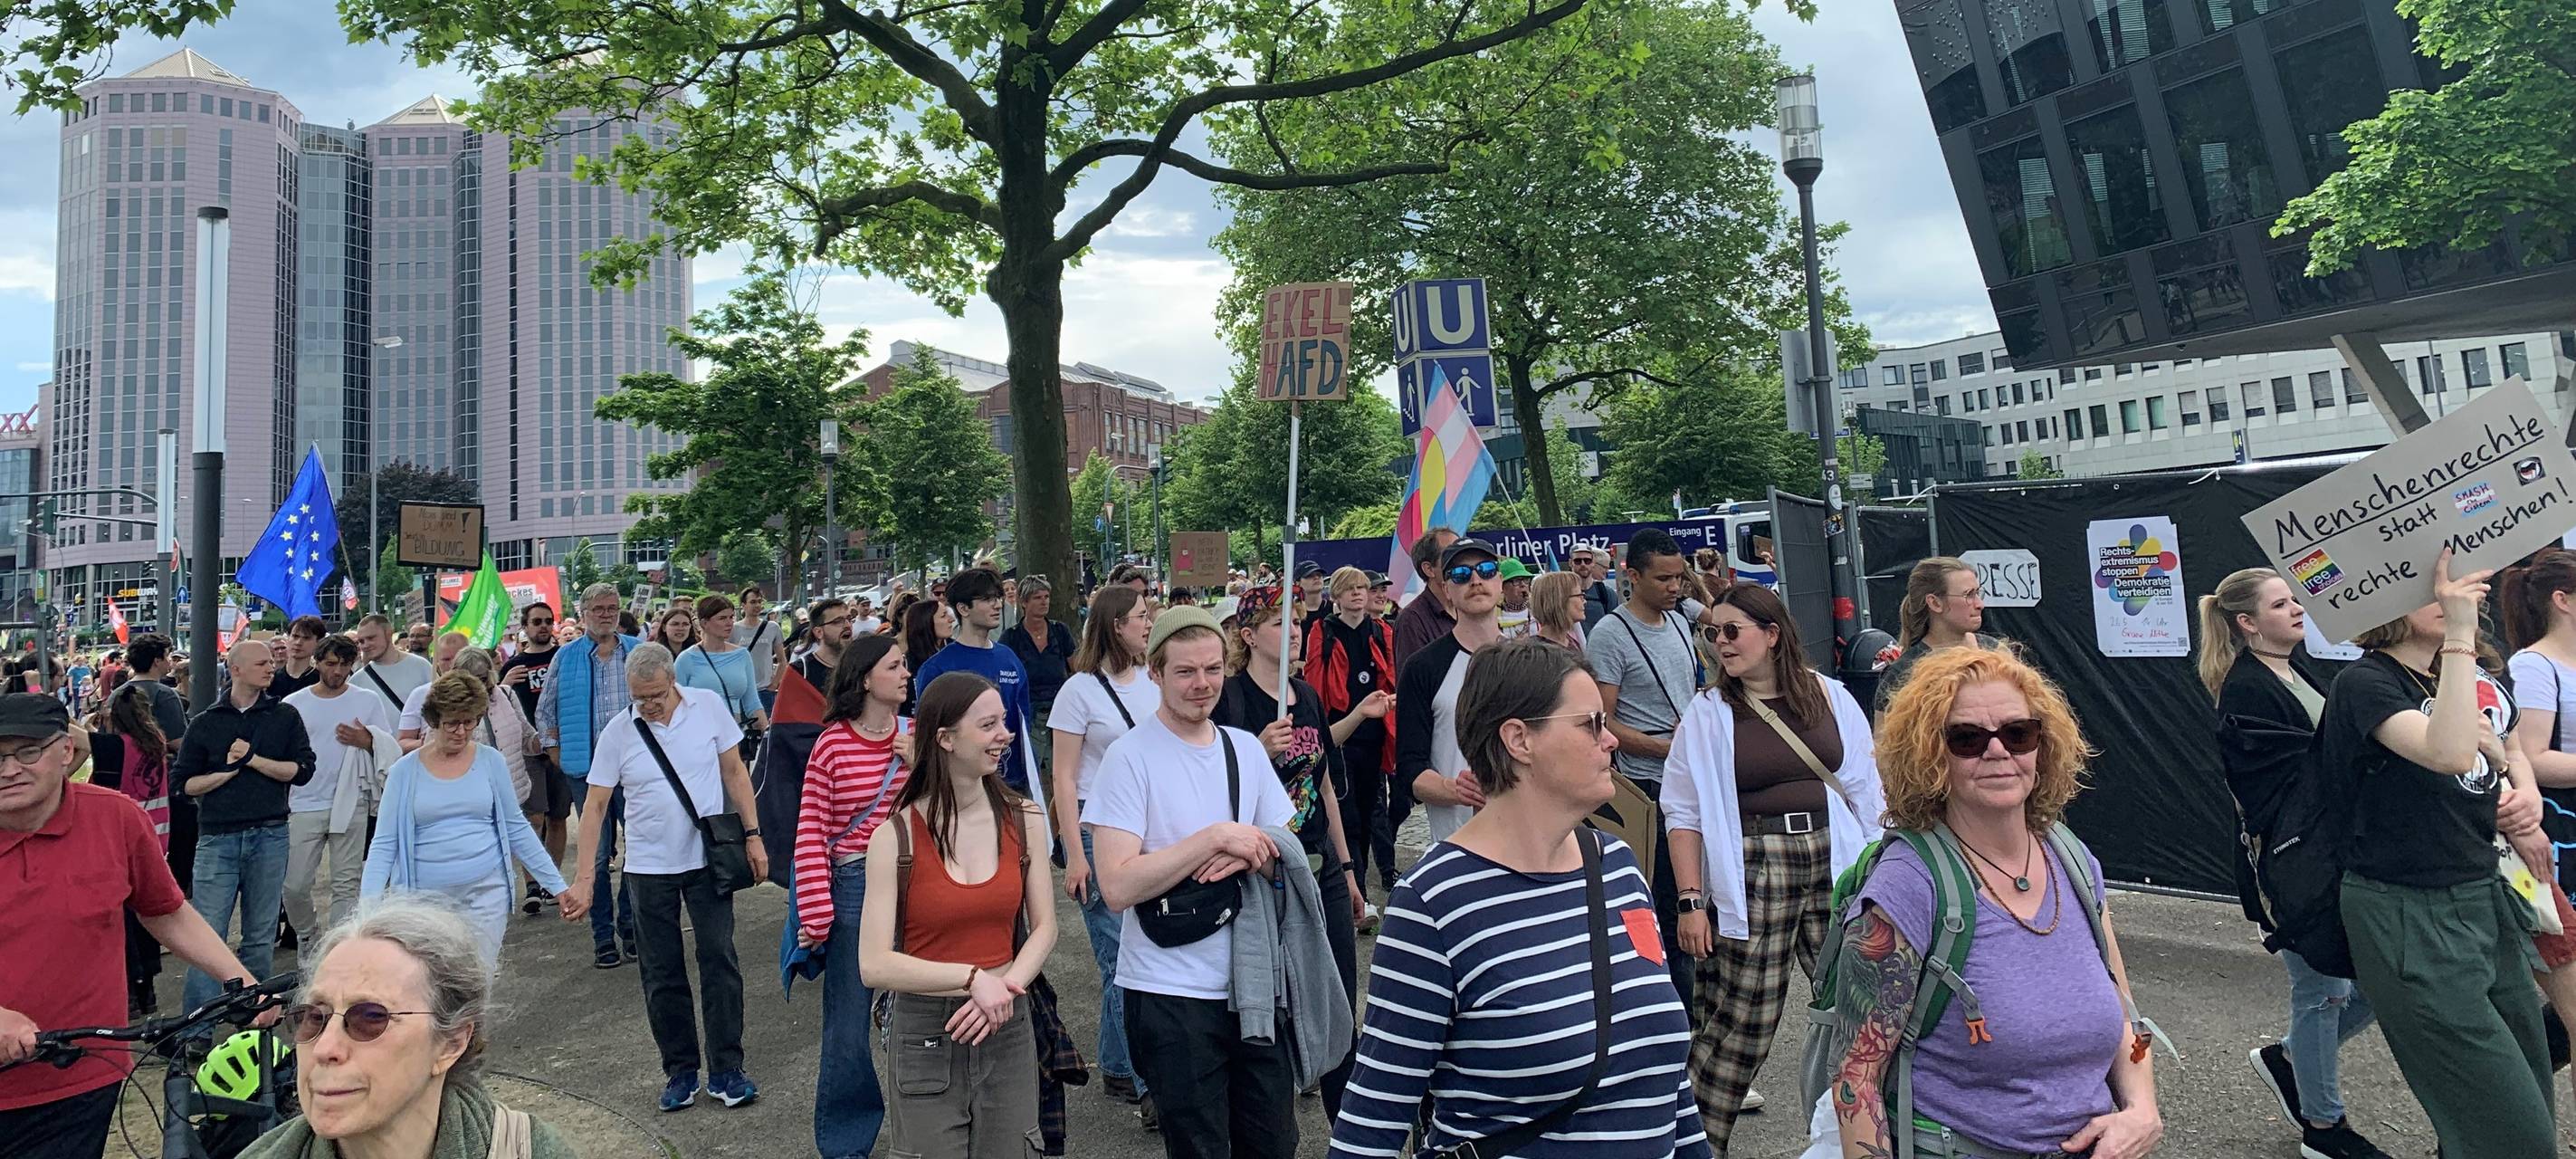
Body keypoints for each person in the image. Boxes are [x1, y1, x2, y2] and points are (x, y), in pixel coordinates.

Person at [1331, 637, 1709, 1159]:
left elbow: (1667, 1079)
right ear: (1519, 740)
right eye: (1590, 724)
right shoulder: (1434, 903)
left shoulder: (1618, 867)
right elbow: (1373, 1118)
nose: (1611, 742)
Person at [1825, 646, 2161, 1159]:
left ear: (2042, 746)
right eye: (1967, 739)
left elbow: (2123, 1014)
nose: (1998, 751)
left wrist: (2141, 1110)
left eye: (2018, 733)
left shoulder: (2071, 859)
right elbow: (1857, 1075)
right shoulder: (1909, 887)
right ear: (1930, 756)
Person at [2323, 549, 2555, 1156]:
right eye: (2434, 589)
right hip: (2407, 910)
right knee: (2509, 1129)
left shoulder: (2451, 673)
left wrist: (2518, 785)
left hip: (2480, 895)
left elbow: (2497, 749)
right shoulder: (2365, 682)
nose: (2458, 593)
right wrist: (2458, 635)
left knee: (2524, 1094)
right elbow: (2450, 753)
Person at [1664, 581, 1885, 1153]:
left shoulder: (1830, 696)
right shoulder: (1709, 713)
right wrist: (1691, 902)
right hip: (1755, 864)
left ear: (1773, 634)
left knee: (1859, 1002)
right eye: (1712, 633)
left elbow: (1867, 790)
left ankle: (1872, 1132)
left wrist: (1881, 871)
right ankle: (1693, 1143)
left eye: (1732, 632)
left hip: (1837, 861)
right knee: (1744, 1019)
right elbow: (1682, 811)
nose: (1720, 644)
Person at [0, 693, 271, 1159]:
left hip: (81, 1072)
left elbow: (164, 909)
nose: (9, 770)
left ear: (67, 751)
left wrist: (240, 979)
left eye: (28, 752)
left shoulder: (116, 818)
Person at [1086, 606, 1304, 1159]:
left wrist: (1251, 851)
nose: (1202, 684)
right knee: (1199, 1147)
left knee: (1275, 1142)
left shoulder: (1245, 748)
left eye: (1212, 669)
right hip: (1169, 991)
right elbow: (1116, 885)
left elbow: (1288, 854)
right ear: (1154, 672)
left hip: (1253, 985)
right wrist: (1212, 839)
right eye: (1185, 671)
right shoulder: (1128, 758)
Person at [2193, 567, 2393, 1159]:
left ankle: (2289, 1058)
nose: (2298, 609)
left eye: (2295, 599)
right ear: (2248, 623)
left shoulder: (2289, 670)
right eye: (2282, 604)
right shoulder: (2249, 688)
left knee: (2374, 983)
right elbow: (2293, 781)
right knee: (2322, 992)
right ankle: (2324, 1129)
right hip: (2294, 870)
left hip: (2327, 858)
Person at [558, 643, 767, 1113]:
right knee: (661, 973)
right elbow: (594, 806)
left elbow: (734, 771)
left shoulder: (708, 707)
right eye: (639, 697)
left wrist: (753, 836)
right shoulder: (620, 730)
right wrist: (585, 877)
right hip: (648, 868)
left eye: (655, 695)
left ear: (673, 680)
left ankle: (728, 1068)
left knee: (720, 961)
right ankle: (680, 1070)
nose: (648, 705)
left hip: (707, 859)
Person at [861, 672, 1057, 1157]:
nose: (1005, 735)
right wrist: (973, 979)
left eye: (1004, 722)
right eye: (988, 724)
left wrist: (1006, 986)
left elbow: (1046, 927)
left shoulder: (1025, 818)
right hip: (925, 1027)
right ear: (945, 739)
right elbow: (874, 965)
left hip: (1008, 1019)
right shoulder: (894, 837)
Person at [1213, 587, 1379, 1120]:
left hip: (1319, 866)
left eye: (1299, 622)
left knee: (1336, 996)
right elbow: (1211, 790)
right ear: (1248, 635)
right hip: (1261, 870)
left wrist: (1350, 870)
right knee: (1279, 996)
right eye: (1279, 623)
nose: (1295, 631)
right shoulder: (1230, 700)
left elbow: (1325, 787)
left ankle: (1347, 1126)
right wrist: (1255, 751)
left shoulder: (1304, 695)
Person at [241, 896, 577, 1159]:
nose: (326, 1048)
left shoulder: (528, 1150)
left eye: (371, 1017)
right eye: (314, 1017)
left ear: (452, 1042)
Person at [794, 635, 914, 1159]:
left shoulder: (919, 735)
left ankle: (930, 1129)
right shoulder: (832, 744)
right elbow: (811, 831)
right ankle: (847, 1145)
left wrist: (925, 762)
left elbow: (965, 800)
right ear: (866, 678)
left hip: (916, 881)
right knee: (848, 1028)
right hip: (854, 886)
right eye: (895, 666)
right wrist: (817, 913)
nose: (907, 673)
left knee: (922, 1014)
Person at [1045, 584, 1160, 1112]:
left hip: (1147, 828)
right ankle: (1145, 1080)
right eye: (1140, 615)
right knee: (1119, 957)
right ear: (1115, 625)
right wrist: (1072, 851)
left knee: (1144, 947)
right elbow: (1063, 779)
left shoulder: (1154, 682)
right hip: (1096, 831)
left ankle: (1116, 1064)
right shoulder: (1079, 692)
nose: (1148, 622)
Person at [363, 672, 568, 965]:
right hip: (423, 902)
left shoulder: (491, 761)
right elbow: (384, 844)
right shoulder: (403, 772)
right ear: (433, 721)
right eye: (451, 723)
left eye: (469, 721)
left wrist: (557, 885)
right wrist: (368, 910)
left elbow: (517, 828)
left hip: (486, 897)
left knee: (477, 984)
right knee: (434, 991)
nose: (461, 731)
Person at [1585, 527, 1702, 1005]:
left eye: (1680, 578)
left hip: (1684, 781)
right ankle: (1663, 1002)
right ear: (1631, 577)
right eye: (1664, 579)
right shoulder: (1611, 635)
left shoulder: (1678, 622)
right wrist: (1665, 748)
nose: (1675, 588)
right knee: (1658, 902)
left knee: (1691, 894)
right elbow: (1602, 720)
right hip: (1643, 788)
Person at [174, 638, 319, 1025]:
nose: (271, 668)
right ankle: (198, 1029)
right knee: (207, 937)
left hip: (270, 833)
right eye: (261, 663)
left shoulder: (284, 717)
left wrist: (252, 760)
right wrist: (220, 777)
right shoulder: (206, 722)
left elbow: (303, 771)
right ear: (235, 669)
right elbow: (181, 783)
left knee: (259, 936)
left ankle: (252, 1021)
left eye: (272, 662)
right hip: (218, 838)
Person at [537, 583, 643, 969]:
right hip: (586, 772)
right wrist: (556, 753)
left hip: (636, 770)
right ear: (583, 613)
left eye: (612, 607)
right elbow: (546, 712)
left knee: (639, 851)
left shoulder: (638, 651)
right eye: (598, 608)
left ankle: (631, 931)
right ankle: (603, 938)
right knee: (596, 858)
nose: (606, 614)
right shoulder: (566, 657)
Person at [283, 635, 395, 946]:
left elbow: (388, 746)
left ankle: (337, 946)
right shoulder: (293, 704)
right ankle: (307, 935)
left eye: (345, 664)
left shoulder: (366, 700)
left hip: (352, 798)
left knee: (346, 883)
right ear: (317, 663)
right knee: (294, 885)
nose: (338, 671)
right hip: (304, 801)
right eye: (331, 664)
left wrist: (368, 741)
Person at [1400, 538, 1507, 847]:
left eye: (1486, 570)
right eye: (1461, 574)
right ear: (1446, 589)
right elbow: (1411, 769)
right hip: (1457, 843)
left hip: (1529, 838)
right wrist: (1456, 789)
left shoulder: (1529, 661)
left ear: (1499, 582)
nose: (1476, 580)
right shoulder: (1422, 667)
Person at [1304, 566, 1398, 912]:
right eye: (1351, 588)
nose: (1359, 593)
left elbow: (1389, 677)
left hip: (1374, 734)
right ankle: (1354, 889)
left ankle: (1361, 888)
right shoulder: (1324, 631)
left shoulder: (1380, 631)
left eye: (1363, 587)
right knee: (1347, 816)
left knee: (1371, 811)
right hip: (1341, 734)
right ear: (1337, 596)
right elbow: (1316, 682)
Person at [87, 680, 179, 1016]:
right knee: (149, 915)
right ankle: (149, 992)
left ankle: (130, 991)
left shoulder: (112, 746)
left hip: (120, 843)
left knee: (123, 921)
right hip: (158, 838)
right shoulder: (156, 742)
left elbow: (75, 739)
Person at [911, 568, 1038, 793]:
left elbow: (1024, 722)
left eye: (998, 598)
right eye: (987, 599)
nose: (998, 605)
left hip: (1013, 784)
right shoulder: (937, 668)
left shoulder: (1009, 658)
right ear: (963, 608)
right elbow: (927, 733)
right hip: (961, 788)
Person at [499, 602, 568, 915]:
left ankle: (551, 882)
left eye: (547, 621)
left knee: (557, 817)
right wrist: (505, 684)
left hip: (561, 749)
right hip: (527, 752)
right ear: (524, 627)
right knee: (533, 818)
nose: (543, 626)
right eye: (536, 621)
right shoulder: (513, 665)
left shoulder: (564, 659)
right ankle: (532, 884)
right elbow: (498, 704)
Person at [1874, 557, 1999, 712]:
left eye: (1978, 593)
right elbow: (1886, 734)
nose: (1980, 604)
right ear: (1935, 603)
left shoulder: (1996, 651)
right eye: (1969, 595)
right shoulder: (1904, 673)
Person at [1001, 576, 1075, 788]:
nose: (1044, 602)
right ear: (1024, 602)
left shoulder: (1059, 631)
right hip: (1029, 709)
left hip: (1060, 707)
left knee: (1062, 768)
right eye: (1037, 597)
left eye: (1046, 597)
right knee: (1032, 767)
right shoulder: (1011, 637)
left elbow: (1076, 668)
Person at [676, 595, 770, 745]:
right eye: (722, 618)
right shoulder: (686, 659)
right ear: (704, 623)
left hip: (734, 734)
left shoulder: (742, 655)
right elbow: (676, 706)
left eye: (731, 617)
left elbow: (752, 702)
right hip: (699, 737)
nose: (729, 623)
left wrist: (767, 739)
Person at [1389, 529, 1460, 669]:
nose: (1462, 561)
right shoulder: (1412, 619)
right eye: (1451, 555)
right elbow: (1413, 682)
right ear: (1429, 569)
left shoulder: (1467, 607)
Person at [395, 631, 472, 752]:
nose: (452, 665)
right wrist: (425, 742)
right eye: (446, 659)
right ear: (436, 662)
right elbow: (402, 743)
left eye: (458, 658)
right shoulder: (420, 694)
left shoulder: (484, 692)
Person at [352, 615, 437, 724]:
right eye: (361, 641)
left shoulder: (421, 666)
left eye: (371, 638)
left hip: (415, 740)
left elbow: (440, 705)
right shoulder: (357, 681)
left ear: (388, 634)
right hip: (378, 742)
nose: (365, 645)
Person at [734, 586, 787, 712]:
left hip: (765, 691)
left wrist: (774, 684)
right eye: (752, 602)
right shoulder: (733, 629)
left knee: (766, 729)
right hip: (742, 691)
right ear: (743, 605)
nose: (757, 605)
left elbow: (782, 660)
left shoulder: (772, 628)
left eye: (759, 601)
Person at [795, 597, 856, 689]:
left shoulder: (861, 665)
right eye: (838, 621)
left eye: (849, 619)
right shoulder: (800, 671)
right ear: (818, 632)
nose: (848, 625)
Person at [1529, 569, 1585, 651]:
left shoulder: (1570, 643)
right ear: (1560, 601)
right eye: (1579, 596)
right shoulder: (1536, 653)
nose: (1584, 601)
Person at [275, 616, 327, 696]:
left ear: (318, 642)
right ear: (288, 638)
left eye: (306, 638)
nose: (298, 642)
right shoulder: (271, 679)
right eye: (295, 636)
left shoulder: (321, 681)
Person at [1572, 543, 1619, 629]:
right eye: (1578, 561)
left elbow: (1616, 627)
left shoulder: (1606, 593)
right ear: (1570, 563)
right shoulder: (1563, 593)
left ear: (1593, 563)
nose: (1583, 564)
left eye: (1587, 561)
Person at [1494, 557, 1535, 637]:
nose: (1523, 584)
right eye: (1516, 581)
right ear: (1502, 587)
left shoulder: (1538, 613)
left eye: (1526, 580)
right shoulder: (1493, 617)